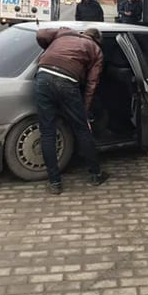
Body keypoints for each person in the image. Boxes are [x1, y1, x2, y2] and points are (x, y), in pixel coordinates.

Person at [35, 27, 108, 194]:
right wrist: (85, 109)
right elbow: (92, 83)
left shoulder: (64, 32)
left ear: (84, 33)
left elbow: (40, 34)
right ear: (97, 40)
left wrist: (48, 50)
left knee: (47, 133)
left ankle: (55, 183)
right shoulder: (96, 50)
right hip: (67, 82)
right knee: (82, 130)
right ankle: (96, 174)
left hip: (43, 77)